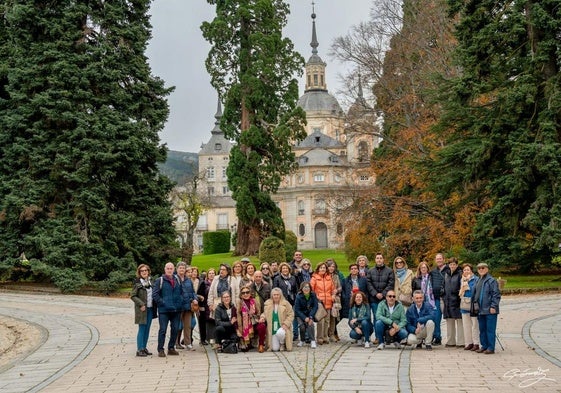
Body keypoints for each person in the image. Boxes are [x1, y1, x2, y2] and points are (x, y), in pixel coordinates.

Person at [152, 262, 183, 357]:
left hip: (176, 310)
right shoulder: (159, 280)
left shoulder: (177, 279)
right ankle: (160, 349)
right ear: (165, 269)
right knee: (163, 330)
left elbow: (181, 292)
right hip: (164, 310)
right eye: (168, 268)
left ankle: (171, 348)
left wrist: (180, 302)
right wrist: (163, 303)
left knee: (175, 329)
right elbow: (155, 294)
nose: (169, 270)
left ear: (174, 269)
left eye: (171, 268)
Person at [472, 262, 501, 354]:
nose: (481, 270)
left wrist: (493, 306)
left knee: (490, 329)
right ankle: (484, 346)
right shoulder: (477, 280)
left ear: (487, 269)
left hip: (490, 309)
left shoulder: (491, 281)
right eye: (479, 268)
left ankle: (491, 347)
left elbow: (496, 295)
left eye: (483, 268)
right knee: (482, 329)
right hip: (480, 310)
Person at [131, 264, 156, 357]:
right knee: (142, 328)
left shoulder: (151, 282)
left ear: (148, 271)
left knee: (147, 328)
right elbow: (133, 296)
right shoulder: (137, 283)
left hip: (150, 308)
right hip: (142, 309)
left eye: (146, 270)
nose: (144, 272)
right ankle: (139, 349)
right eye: (142, 271)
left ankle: (144, 347)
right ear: (139, 272)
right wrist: (141, 304)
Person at [366, 253, 395, 327]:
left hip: (385, 299)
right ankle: (377, 337)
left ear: (383, 260)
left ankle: (385, 336)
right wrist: (375, 294)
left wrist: (383, 294)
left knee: (386, 317)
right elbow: (368, 284)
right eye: (377, 258)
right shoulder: (370, 271)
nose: (379, 260)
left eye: (380, 258)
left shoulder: (389, 271)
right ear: (375, 260)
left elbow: (391, 284)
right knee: (376, 317)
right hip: (374, 299)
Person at [310, 262, 335, 345]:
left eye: (324, 268)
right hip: (319, 303)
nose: (323, 269)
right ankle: (319, 337)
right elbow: (311, 290)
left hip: (328, 301)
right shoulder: (314, 278)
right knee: (320, 320)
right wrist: (316, 298)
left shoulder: (329, 278)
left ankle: (325, 337)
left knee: (327, 320)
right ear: (318, 269)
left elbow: (333, 289)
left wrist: (333, 295)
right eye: (321, 268)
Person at [263, 287, 295, 351]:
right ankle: (278, 343)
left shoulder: (286, 303)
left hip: (282, 327)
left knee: (280, 333)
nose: (276, 296)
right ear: (272, 295)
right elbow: (265, 313)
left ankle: (282, 343)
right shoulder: (268, 304)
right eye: (274, 295)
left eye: (277, 295)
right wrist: (262, 317)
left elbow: (291, 314)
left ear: (280, 295)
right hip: (272, 329)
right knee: (275, 349)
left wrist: (286, 324)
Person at [236, 285, 267, 352]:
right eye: (243, 293)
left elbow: (259, 313)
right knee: (245, 350)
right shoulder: (239, 303)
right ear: (241, 295)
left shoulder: (255, 301)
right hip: (244, 327)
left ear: (250, 293)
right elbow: (237, 317)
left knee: (262, 326)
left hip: (254, 323)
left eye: (247, 292)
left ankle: (261, 345)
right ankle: (247, 342)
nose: (245, 294)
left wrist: (261, 317)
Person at [273, 262, 299, 340]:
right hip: (282, 301)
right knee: (283, 318)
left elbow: (296, 289)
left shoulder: (293, 278)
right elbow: (275, 290)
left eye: (286, 268)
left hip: (292, 300)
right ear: (281, 270)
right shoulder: (277, 278)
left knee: (293, 317)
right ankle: (283, 335)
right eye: (283, 268)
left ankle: (295, 334)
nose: (285, 270)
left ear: (289, 269)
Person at [442, 257, 464, 348]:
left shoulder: (460, 274)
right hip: (447, 300)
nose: (452, 266)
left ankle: (461, 342)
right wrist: (442, 293)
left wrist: (458, 295)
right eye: (450, 264)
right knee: (449, 321)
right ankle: (450, 341)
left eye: (454, 264)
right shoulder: (446, 274)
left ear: (457, 265)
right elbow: (443, 285)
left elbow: (462, 287)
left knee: (459, 322)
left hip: (457, 301)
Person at [176, 262, 197, 350]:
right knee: (177, 325)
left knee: (188, 325)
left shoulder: (188, 280)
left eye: (183, 268)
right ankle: (176, 343)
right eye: (180, 268)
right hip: (178, 306)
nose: (182, 270)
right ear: (177, 269)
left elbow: (192, 292)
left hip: (188, 306)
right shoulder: (174, 279)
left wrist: (195, 298)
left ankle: (188, 343)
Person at [430, 253, 450, 345]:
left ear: (444, 259)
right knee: (436, 319)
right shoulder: (433, 272)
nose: (438, 260)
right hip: (436, 298)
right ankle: (437, 337)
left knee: (450, 319)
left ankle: (452, 340)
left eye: (440, 258)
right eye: (437, 259)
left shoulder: (449, 270)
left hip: (447, 299)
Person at [459, 263, 480, 351]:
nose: (466, 271)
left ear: (471, 270)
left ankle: (476, 343)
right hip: (464, 303)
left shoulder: (476, 279)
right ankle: (469, 343)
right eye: (464, 270)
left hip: (473, 304)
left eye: (468, 269)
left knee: (474, 325)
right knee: (466, 325)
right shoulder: (462, 280)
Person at [294, 282, 318, 349]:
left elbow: (315, 306)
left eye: (308, 287)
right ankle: (302, 340)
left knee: (311, 324)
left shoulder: (313, 295)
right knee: (302, 326)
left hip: (310, 313)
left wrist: (310, 317)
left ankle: (312, 340)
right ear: (302, 288)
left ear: (310, 288)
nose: (306, 289)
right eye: (304, 287)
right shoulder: (298, 296)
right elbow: (297, 310)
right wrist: (304, 318)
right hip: (300, 314)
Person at [326, 259, 343, 342]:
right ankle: (325, 334)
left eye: (333, 266)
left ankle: (332, 334)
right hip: (326, 299)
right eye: (330, 266)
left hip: (335, 299)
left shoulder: (336, 276)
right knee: (326, 318)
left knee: (333, 317)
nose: (331, 268)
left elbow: (340, 287)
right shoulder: (324, 275)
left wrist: (337, 290)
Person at [193, 266, 209, 345]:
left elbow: (203, 294)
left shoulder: (201, 282)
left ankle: (203, 339)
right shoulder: (187, 281)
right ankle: (188, 338)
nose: (194, 273)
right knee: (191, 322)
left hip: (200, 304)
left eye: (195, 272)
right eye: (192, 272)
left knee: (202, 322)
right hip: (190, 303)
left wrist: (199, 298)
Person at [203, 268, 216, 346]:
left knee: (216, 321)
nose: (211, 275)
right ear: (207, 275)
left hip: (216, 304)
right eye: (210, 273)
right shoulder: (204, 283)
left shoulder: (217, 283)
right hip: (207, 305)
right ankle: (209, 338)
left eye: (213, 273)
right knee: (209, 322)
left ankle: (215, 338)